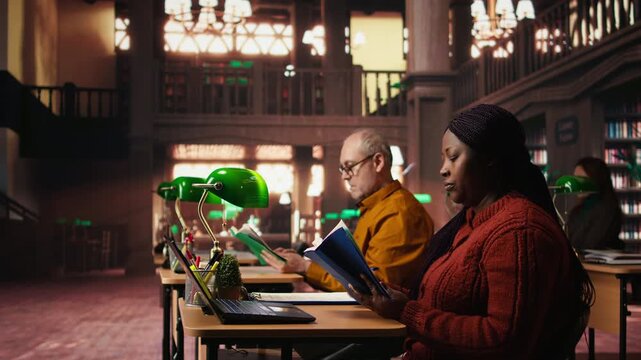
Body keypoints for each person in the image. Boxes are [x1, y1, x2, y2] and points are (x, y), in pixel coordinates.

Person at [348, 104, 594, 360]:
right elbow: (446, 301)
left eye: (453, 157)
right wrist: (384, 293)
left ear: (489, 159)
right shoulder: (472, 221)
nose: (443, 169)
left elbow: (503, 340)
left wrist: (406, 311)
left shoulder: (520, 231)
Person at [263, 128, 435, 292]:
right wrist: (304, 261)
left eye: (350, 166)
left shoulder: (399, 213)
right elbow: (353, 272)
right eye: (342, 169)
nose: (345, 176)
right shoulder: (375, 207)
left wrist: (304, 266)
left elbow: (374, 287)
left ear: (378, 162)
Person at [567, 156, 623, 250]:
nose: (575, 184)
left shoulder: (607, 210)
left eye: (581, 179)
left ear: (596, 180)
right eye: (574, 179)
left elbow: (589, 244)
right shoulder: (576, 212)